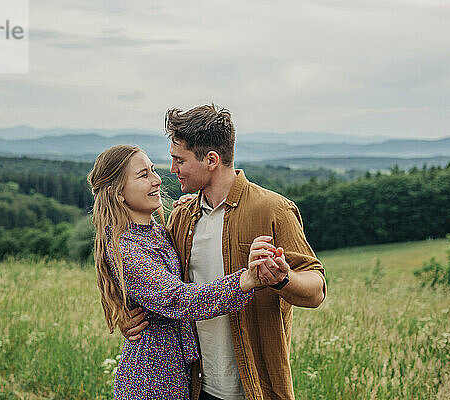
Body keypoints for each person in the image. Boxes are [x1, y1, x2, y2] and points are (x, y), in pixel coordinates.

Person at [122, 105, 327, 400]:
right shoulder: (181, 217)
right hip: (194, 388)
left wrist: (282, 279)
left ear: (211, 160)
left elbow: (317, 291)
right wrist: (127, 315)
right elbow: (160, 286)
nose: (172, 169)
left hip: (257, 388)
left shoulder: (273, 209)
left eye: (179, 160)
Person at [87, 144, 286, 400]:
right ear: (118, 194)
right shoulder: (125, 248)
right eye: (143, 175)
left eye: (152, 171)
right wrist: (245, 280)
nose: (157, 180)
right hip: (151, 385)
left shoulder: (154, 232)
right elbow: (178, 299)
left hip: (178, 379)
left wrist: (194, 206)